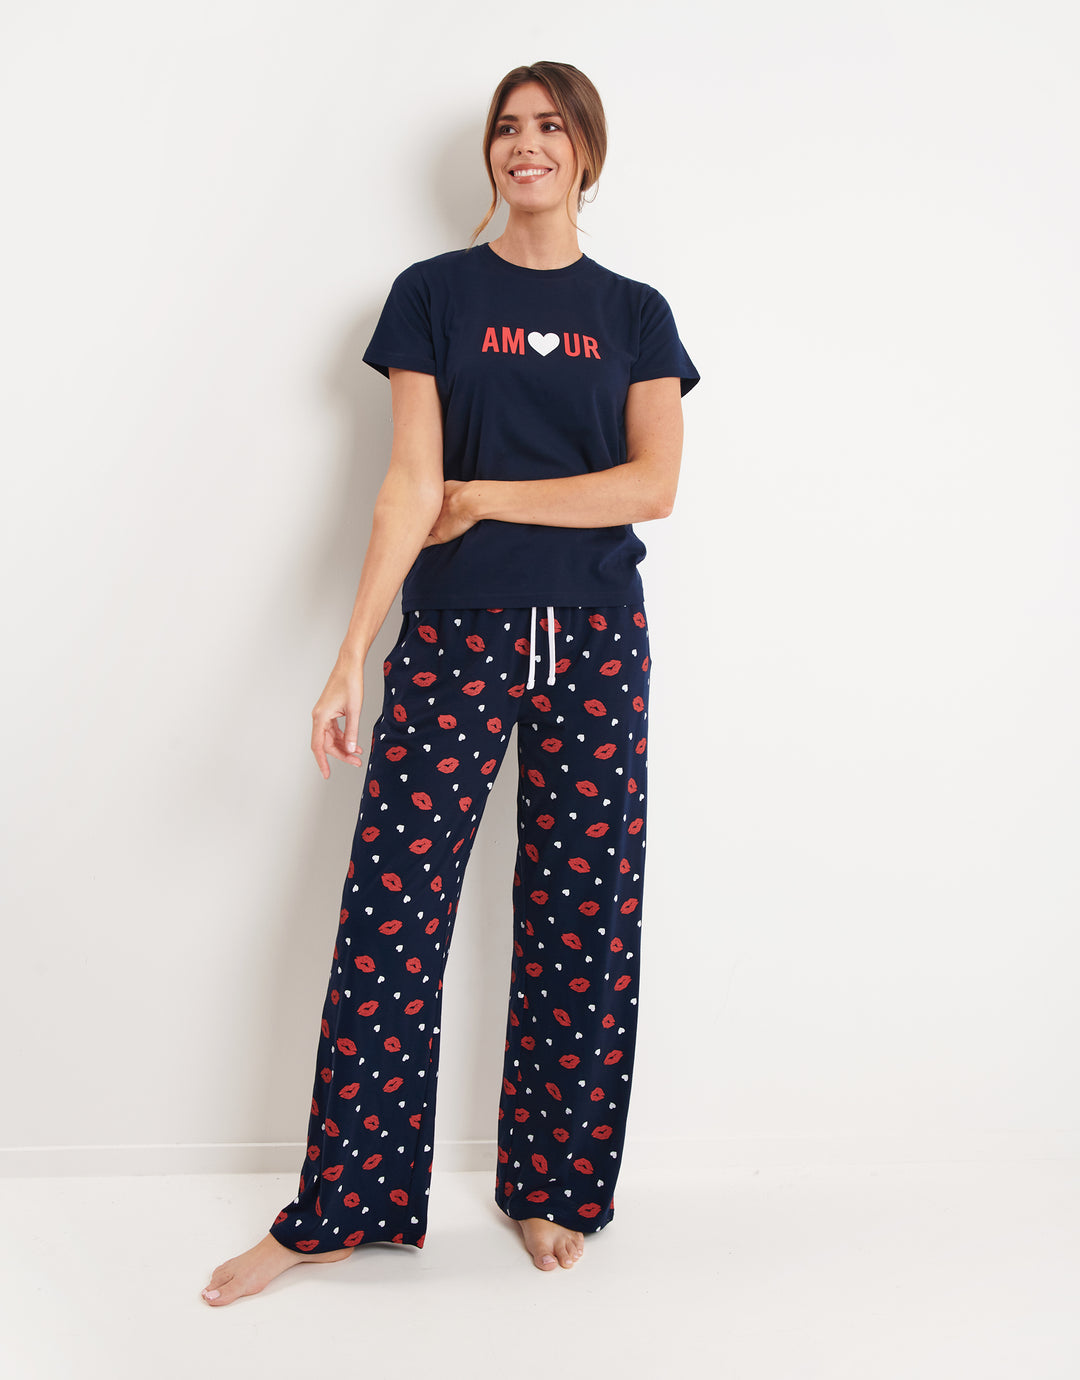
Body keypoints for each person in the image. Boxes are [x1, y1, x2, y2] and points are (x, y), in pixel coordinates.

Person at [202, 60, 699, 1307]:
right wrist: (348, 656)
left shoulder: (636, 313)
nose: (526, 144)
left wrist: (492, 497)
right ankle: (344, 1204)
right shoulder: (434, 295)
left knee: (585, 916)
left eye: (551, 127)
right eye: (508, 127)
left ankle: (554, 1185)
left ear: (587, 153)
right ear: (491, 152)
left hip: (595, 642)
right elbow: (409, 484)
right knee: (394, 914)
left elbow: (651, 486)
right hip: (454, 639)